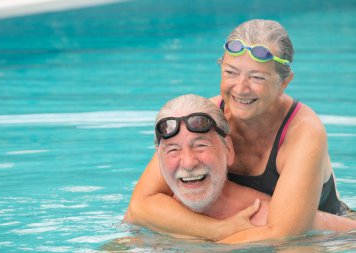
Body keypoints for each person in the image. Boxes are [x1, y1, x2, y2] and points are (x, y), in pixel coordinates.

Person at [126, 19, 353, 243]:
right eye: (231, 73)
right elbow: (140, 205)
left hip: (325, 235)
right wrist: (218, 230)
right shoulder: (204, 118)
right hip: (240, 228)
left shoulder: (303, 132)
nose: (241, 88)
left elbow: (283, 234)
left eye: (257, 77)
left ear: (285, 82)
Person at [125, 94, 356, 242]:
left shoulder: (259, 214)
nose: (187, 163)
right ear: (159, 158)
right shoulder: (149, 213)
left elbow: (349, 232)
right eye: (173, 150)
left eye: (201, 146)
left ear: (228, 150)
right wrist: (219, 232)